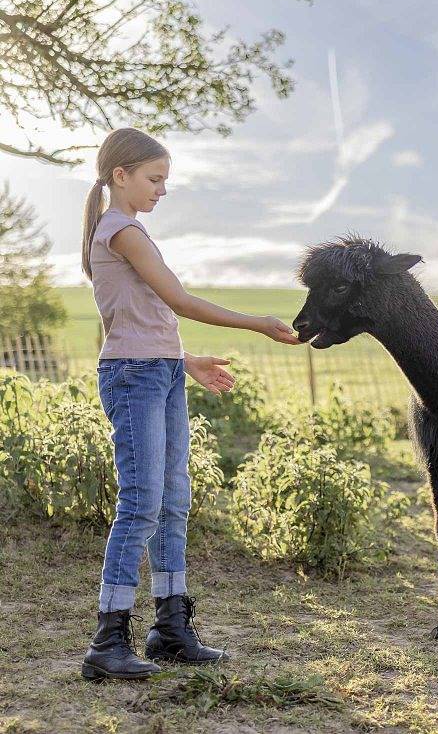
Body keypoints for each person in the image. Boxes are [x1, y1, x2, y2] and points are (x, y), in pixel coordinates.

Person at [80, 127, 301, 680]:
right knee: (142, 503)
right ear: (120, 175)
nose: (161, 191)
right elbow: (178, 299)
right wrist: (258, 323)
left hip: (160, 372)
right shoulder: (121, 231)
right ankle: (108, 642)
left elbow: (144, 320)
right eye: (155, 179)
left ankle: (170, 628)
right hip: (134, 378)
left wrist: (185, 361)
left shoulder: (130, 231)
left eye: (165, 181)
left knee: (174, 501)